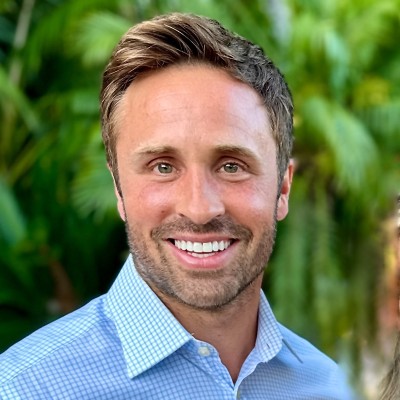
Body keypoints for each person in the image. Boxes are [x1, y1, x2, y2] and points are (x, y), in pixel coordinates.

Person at [0, 12, 354, 399]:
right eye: (163, 166)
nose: (200, 209)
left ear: (282, 188)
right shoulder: (25, 389)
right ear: (118, 187)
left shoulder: (329, 386)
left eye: (232, 166)